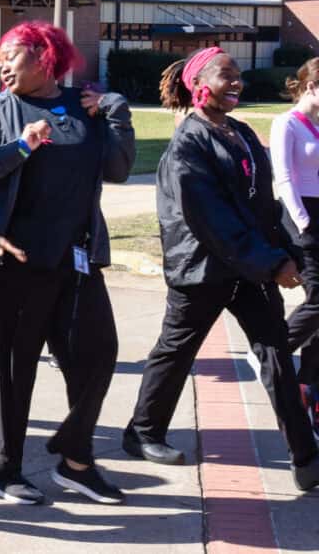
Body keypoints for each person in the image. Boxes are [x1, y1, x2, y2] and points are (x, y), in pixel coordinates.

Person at [0, 21, 135, 505]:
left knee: (99, 355)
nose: (2, 64)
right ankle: (5, 470)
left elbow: (117, 169)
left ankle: (75, 459)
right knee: (15, 369)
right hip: (16, 260)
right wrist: (20, 147)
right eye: (1, 56)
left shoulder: (85, 107)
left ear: (45, 55)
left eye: (12, 54)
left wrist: (116, 111)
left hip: (76, 259)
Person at [124, 47, 319, 491]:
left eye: (238, 76)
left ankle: (306, 458)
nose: (237, 83)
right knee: (174, 354)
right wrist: (271, 264)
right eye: (226, 75)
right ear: (199, 84)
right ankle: (143, 432)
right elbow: (212, 219)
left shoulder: (241, 135)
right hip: (202, 272)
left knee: (276, 358)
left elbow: (260, 207)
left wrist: (286, 252)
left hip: (247, 271)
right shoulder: (187, 143)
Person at [273, 57, 319, 440]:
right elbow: (285, 179)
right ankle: (273, 352)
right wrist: (304, 225)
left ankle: (308, 382)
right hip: (302, 219)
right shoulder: (286, 123)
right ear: (310, 87)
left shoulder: (317, 126)